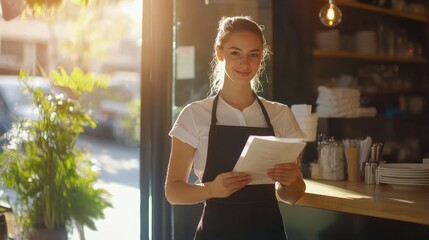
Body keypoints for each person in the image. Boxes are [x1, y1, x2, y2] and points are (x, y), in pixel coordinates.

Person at [165, 15, 306, 240]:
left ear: (262, 58)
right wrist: (210, 190)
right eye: (235, 53)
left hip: (268, 233)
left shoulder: (280, 115)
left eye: (253, 55)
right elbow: (173, 191)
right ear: (219, 53)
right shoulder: (194, 115)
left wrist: (292, 181)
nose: (245, 63)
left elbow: (292, 196)